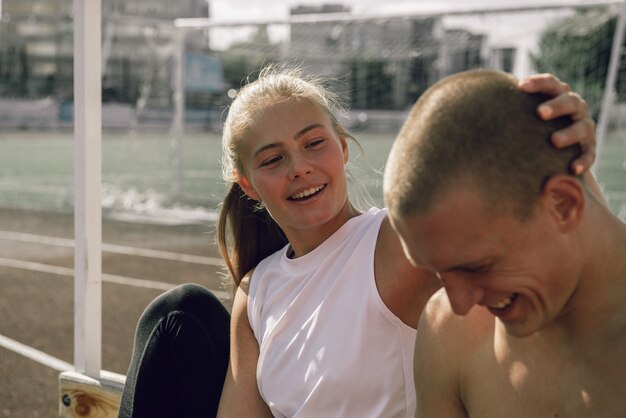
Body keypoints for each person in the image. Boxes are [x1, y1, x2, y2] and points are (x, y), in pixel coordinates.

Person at [117, 65, 597, 418]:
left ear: (341, 148)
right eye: (272, 159)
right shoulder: (256, 290)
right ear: (247, 185)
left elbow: (550, 246)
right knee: (178, 313)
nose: (299, 166)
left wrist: (563, 146)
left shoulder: (396, 241)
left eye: (313, 143)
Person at [384, 69, 626, 418]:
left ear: (563, 205)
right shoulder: (453, 331)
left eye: (476, 267)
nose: (460, 302)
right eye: (440, 274)